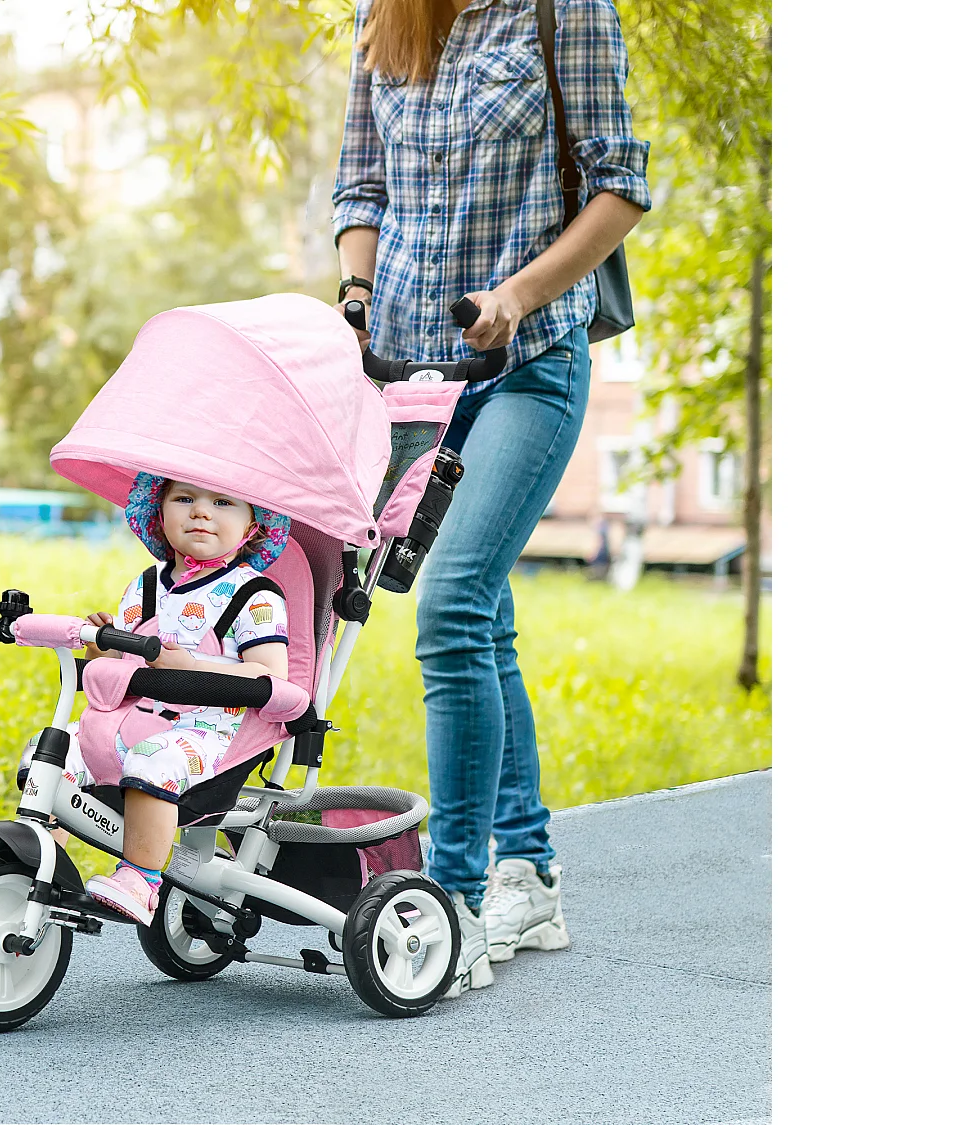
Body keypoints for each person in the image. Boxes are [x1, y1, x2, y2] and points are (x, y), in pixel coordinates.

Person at [330, 0, 651, 970]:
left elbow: (621, 187)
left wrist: (519, 295)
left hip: (530, 363)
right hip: (411, 376)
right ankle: (532, 877)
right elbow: (362, 184)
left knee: (454, 606)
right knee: (486, 618)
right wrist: (354, 297)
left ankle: (454, 903)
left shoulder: (566, 12)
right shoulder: (385, 14)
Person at [18, 476, 292, 924]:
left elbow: (268, 675)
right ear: (159, 515)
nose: (201, 512)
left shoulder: (255, 595)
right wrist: (102, 647)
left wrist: (191, 665)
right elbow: (126, 658)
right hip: (129, 718)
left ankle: (141, 879)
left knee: (153, 760)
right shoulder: (147, 585)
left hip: (206, 732)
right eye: (184, 499)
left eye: (223, 502)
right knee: (49, 752)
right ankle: (42, 863)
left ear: (253, 526)